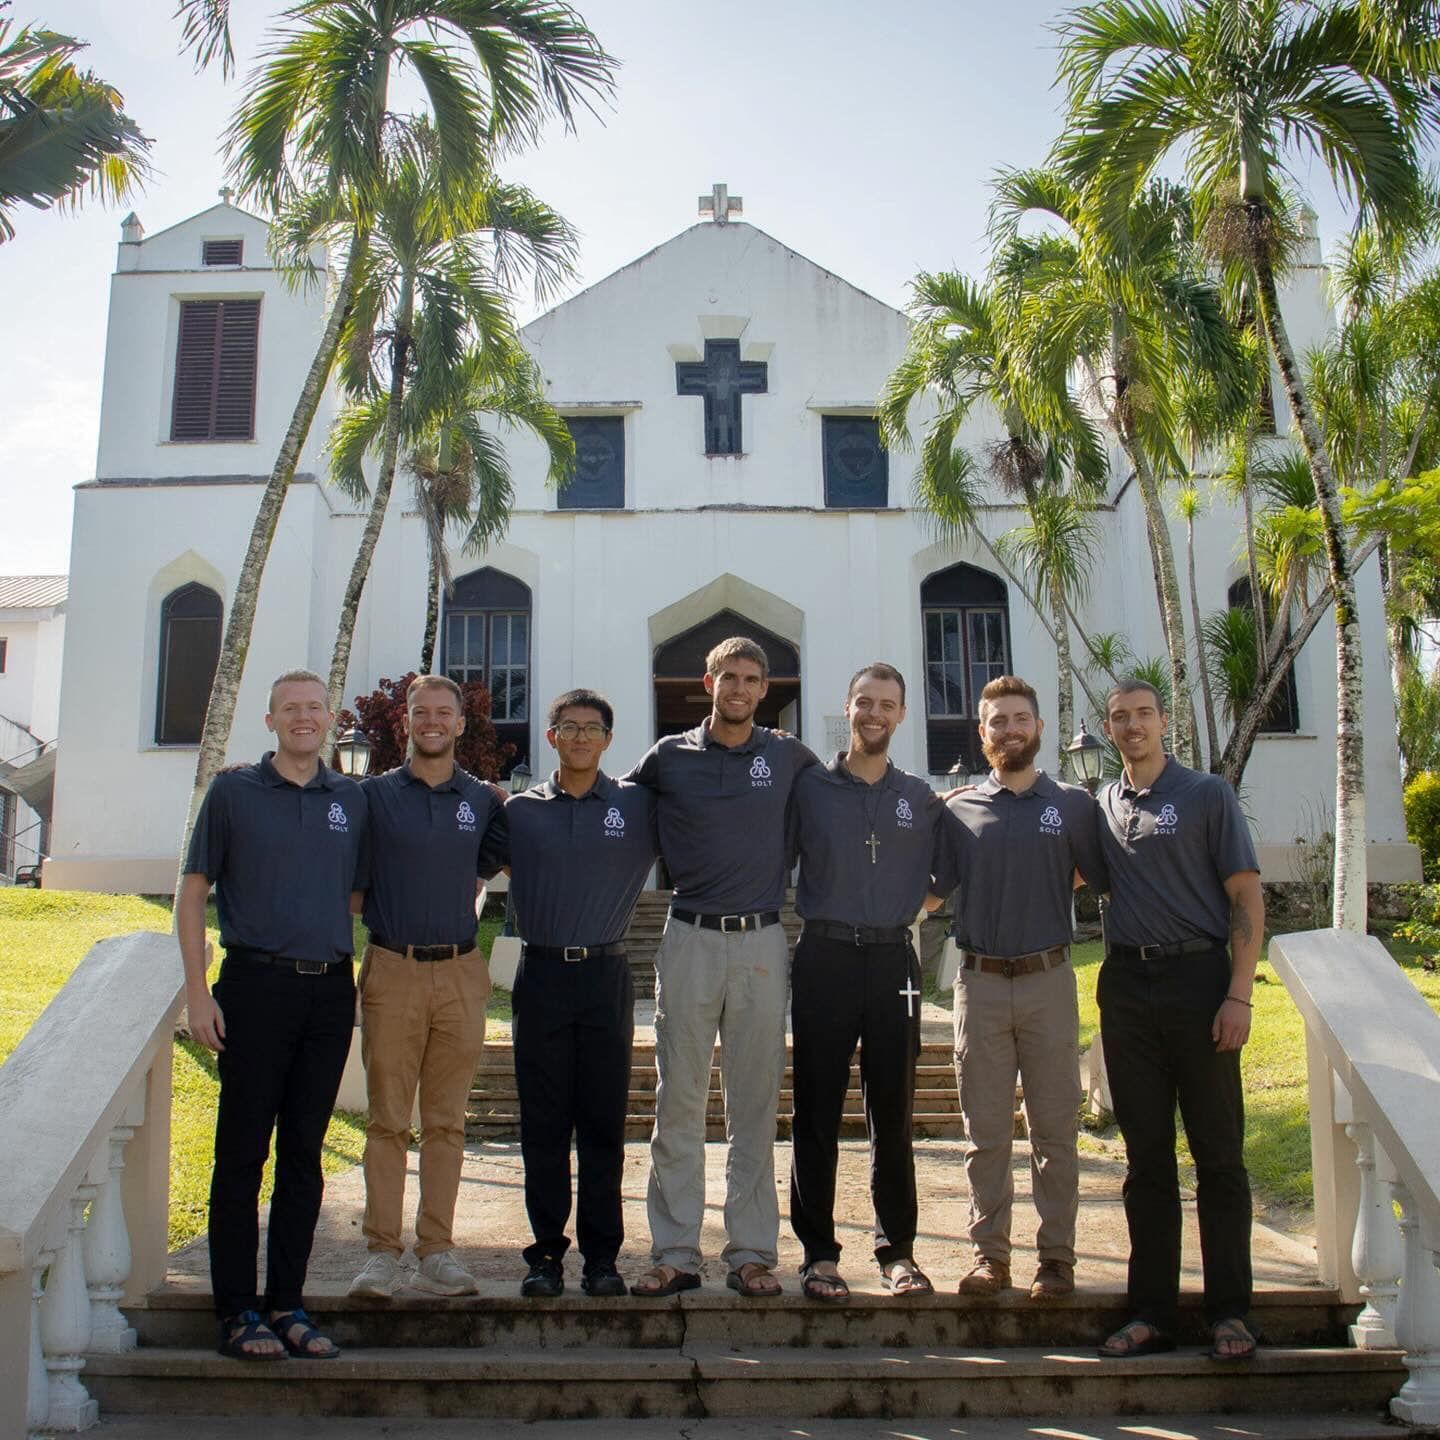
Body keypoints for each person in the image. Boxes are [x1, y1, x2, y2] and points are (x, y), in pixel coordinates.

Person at [178, 669, 369, 1362]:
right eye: (290, 708)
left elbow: (355, 896)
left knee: (303, 1156)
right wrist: (197, 994)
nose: (303, 717)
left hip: (329, 994)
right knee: (242, 1154)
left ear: (330, 718)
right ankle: (236, 1311)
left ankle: (287, 1303)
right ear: (270, 720)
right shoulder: (233, 793)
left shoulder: (350, 798)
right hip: (254, 988)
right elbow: (192, 892)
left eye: (314, 707)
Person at [626, 636, 818, 1298]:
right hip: (690, 937)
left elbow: (845, 799)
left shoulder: (788, 755)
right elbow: (613, 809)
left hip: (762, 939)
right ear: (707, 683)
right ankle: (676, 1251)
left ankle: (752, 1252)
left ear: (765, 689)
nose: (739, 688)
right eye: (727, 676)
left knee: (755, 1105)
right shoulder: (668, 756)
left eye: (751, 679)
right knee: (678, 1099)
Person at [1094, 678, 1263, 1362]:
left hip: (1199, 982)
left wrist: (1239, 993)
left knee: (1218, 1156)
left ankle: (1230, 1313)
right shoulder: (1102, 803)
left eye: (1143, 714)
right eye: (1120, 717)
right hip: (1125, 987)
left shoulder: (1207, 795)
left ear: (1164, 721)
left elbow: (1245, 895)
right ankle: (1151, 1312)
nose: (1132, 726)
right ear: (1109, 728)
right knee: (1147, 1161)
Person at [937, 675, 1107, 1301]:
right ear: (982, 733)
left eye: (1019, 719)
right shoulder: (958, 811)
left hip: (1049, 983)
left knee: (1054, 1132)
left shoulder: (1073, 806)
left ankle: (1056, 1261)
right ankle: (990, 1257)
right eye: (997, 721)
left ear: (1038, 727)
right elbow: (930, 892)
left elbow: (1094, 875)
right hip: (979, 986)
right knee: (985, 1134)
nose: (1009, 730)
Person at [787, 662, 948, 1301]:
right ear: (848, 707)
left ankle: (897, 1252)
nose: (874, 713)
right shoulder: (810, 787)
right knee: (815, 1111)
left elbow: (949, 870)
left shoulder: (921, 797)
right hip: (824, 955)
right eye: (864, 702)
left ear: (902, 714)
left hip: (891, 963)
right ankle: (818, 1255)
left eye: (887, 704)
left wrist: (911, 907)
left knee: (894, 1112)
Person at [348, 674, 507, 1300]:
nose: (432, 721)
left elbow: (494, 865)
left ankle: (437, 1250)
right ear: (406, 721)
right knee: (387, 1120)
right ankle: (381, 1253)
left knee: (446, 1122)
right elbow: (349, 886)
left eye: (444, 712)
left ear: (461, 724)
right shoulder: (373, 796)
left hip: (462, 972)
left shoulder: (483, 801)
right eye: (421, 712)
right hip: (392, 967)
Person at [500, 689, 659, 1298]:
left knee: (602, 1125)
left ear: (608, 740)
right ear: (552, 738)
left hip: (604, 977)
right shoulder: (520, 812)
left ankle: (601, 1258)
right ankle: (544, 1255)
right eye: (569, 727)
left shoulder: (636, 805)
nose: (581, 737)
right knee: (543, 1124)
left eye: (593, 728)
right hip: (541, 975)